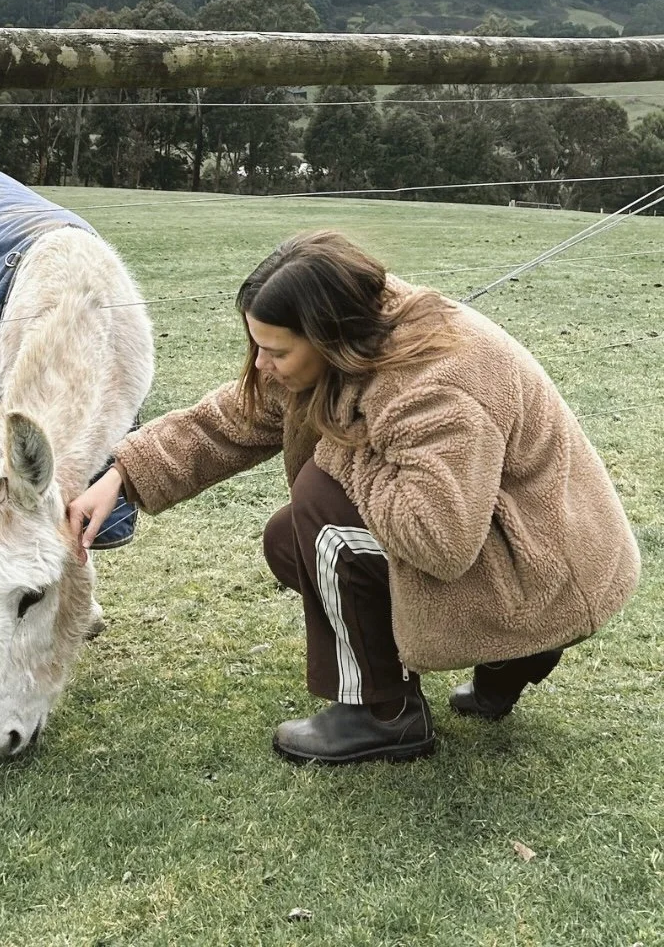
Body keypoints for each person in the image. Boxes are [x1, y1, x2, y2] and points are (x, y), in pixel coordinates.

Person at [66, 230, 640, 766]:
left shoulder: (442, 383)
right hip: (524, 552)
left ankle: (382, 712)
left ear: (327, 333)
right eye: (257, 346)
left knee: (319, 503)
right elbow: (233, 417)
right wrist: (123, 474)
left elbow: (440, 539)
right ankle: (512, 657)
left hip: (543, 571)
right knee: (291, 539)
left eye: (276, 351)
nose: (262, 364)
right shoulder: (357, 336)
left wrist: (340, 447)